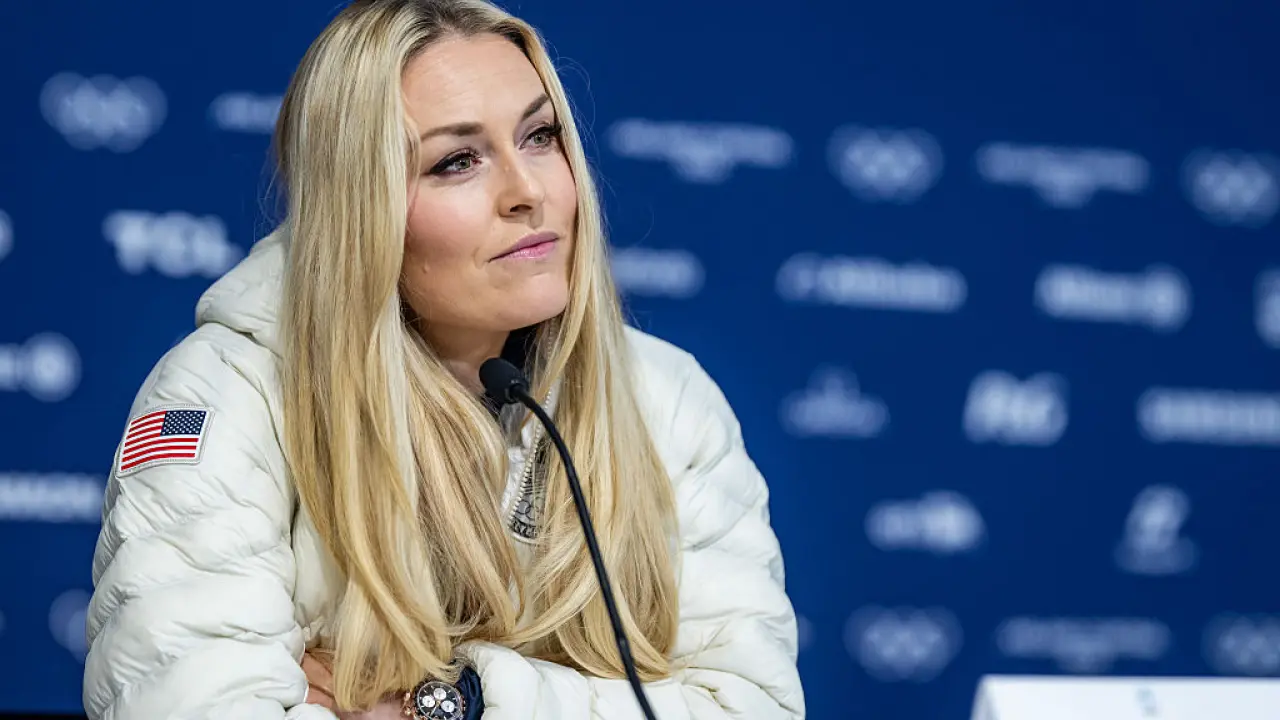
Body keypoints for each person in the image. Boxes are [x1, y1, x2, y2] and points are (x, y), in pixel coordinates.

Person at [82, 1, 805, 718]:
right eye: (457, 162)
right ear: (359, 206)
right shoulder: (228, 392)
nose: (528, 192)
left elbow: (750, 707)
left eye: (540, 136)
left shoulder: (667, 400)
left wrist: (455, 703)